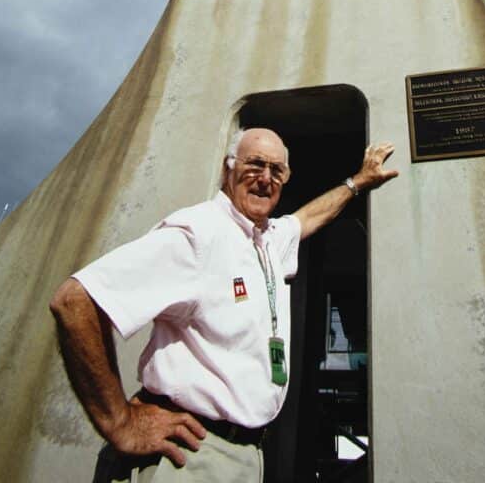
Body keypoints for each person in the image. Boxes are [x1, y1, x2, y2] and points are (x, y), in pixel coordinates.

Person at [50, 127, 398, 481]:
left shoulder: (266, 240)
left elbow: (307, 218)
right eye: (254, 165)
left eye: (277, 171)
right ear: (228, 169)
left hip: (242, 457)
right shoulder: (198, 234)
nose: (265, 179)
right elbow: (74, 301)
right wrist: (119, 422)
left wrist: (359, 181)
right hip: (188, 457)